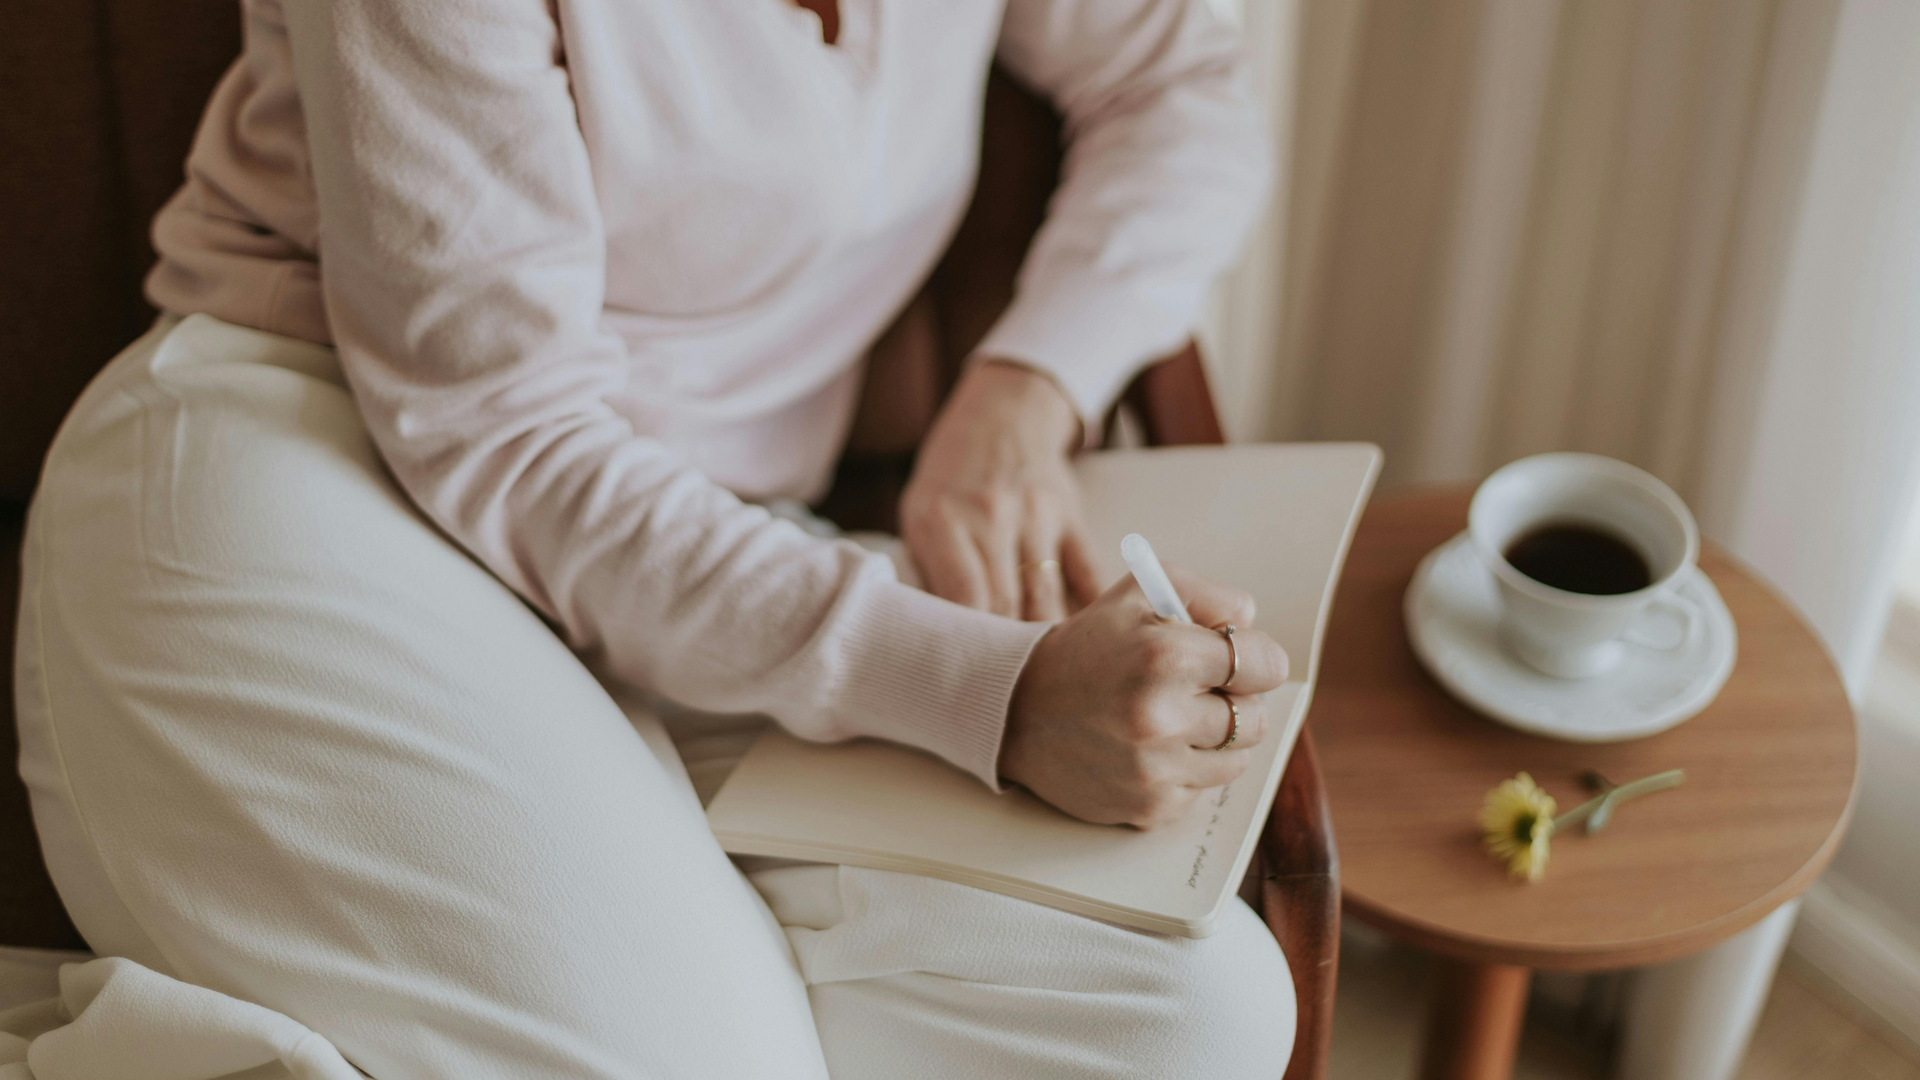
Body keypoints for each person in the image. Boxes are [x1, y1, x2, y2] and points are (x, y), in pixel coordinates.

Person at [14, 0, 1292, 1075]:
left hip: (712, 551)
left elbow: (1182, 78)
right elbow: (504, 433)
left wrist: (1025, 389)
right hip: (313, 465)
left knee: (1195, 1016)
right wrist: (985, 696)